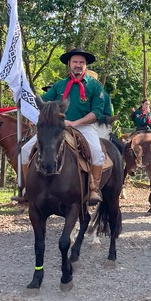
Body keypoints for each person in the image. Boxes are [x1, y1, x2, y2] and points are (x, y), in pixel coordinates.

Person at [21, 49, 108, 205]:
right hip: (56, 127)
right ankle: (29, 188)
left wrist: (75, 123)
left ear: (86, 65)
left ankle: (94, 188)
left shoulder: (95, 86)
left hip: (83, 127)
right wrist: (24, 97)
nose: (78, 65)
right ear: (69, 64)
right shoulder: (59, 85)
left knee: (97, 152)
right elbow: (43, 103)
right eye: (75, 62)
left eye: (81, 62)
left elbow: (96, 112)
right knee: (25, 150)